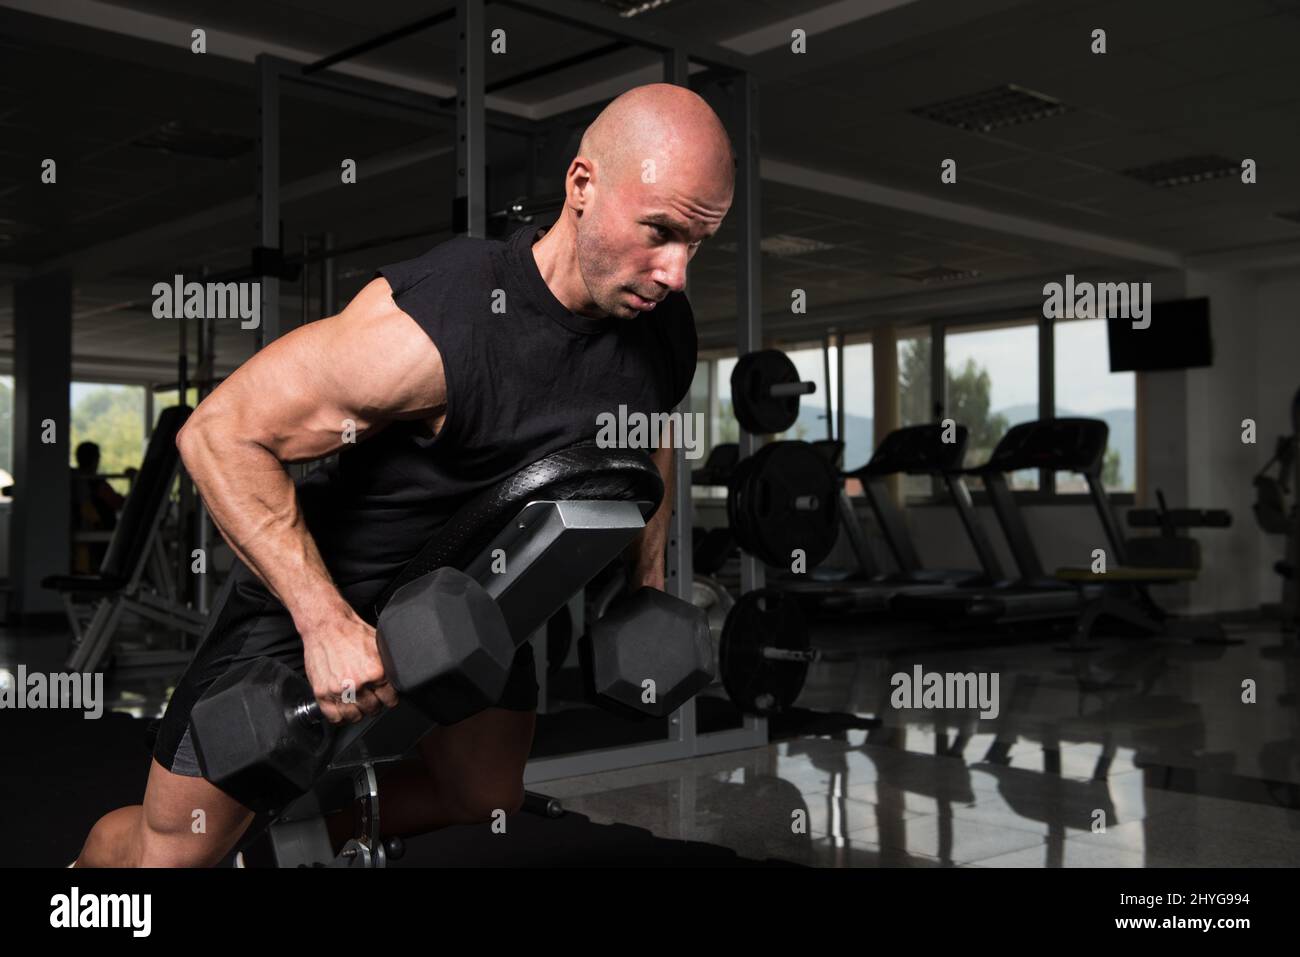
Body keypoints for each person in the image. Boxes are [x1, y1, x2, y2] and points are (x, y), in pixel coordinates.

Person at [73, 83, 735, 867]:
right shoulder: (439, 326)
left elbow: (647, 425)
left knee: (484, 794)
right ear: (582, 186)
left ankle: (303, 842)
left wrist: (645, 580)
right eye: (660, 231)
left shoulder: (660, 327)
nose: (676, 271)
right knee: (174, 852)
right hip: (328, 592)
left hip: (474, 594)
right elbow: (219, 433)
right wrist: (323, 624)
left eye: (697, 244)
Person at [71, 441, 127, 574]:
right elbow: (119, 503)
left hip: (80, 545)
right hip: (100, 544)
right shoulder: (98, 484)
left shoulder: (72, 481)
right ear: (95, 460)